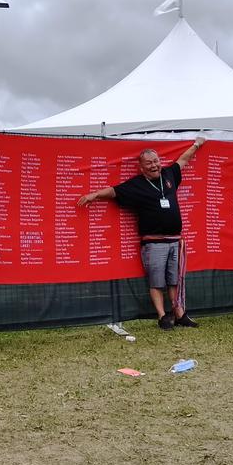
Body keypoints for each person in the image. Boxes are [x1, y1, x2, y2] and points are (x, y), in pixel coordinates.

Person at [77, 138, 205, 330]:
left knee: (174, 280)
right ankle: (163, 317)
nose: (154, 165)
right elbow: (114, 191)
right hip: (153, 243)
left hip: (175, 241)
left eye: (156, 161)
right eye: (149, 163)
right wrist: (93, 195)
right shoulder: (136, 185)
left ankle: (179, 314)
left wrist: (197, 145)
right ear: (141, 168)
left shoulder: (169, 174)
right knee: (157, 281)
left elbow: (183, 160)